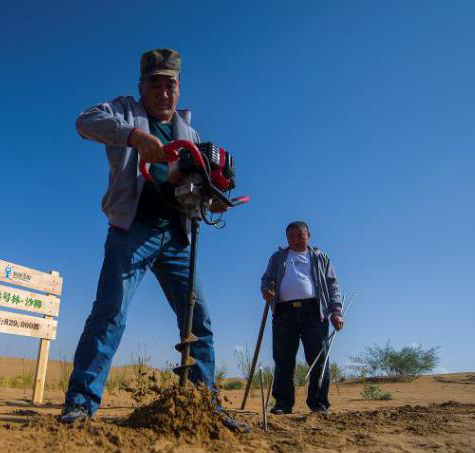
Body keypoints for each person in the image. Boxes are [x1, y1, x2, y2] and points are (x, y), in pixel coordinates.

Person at [60, 48, 245, 431]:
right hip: (133, 230)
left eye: (171, 85)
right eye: (156, 84)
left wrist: (212, 198)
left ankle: (202, 406)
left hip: (178, 236)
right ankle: (81, 403)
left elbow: (192, 183)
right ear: (141, 86)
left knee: (199, 322)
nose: (164, 93)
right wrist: (134, 137)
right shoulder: (124, 111)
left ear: (180, 88)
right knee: (110, 312)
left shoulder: (189, 131)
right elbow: (84, 121)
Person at [260, 221, 343, 415]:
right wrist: (266, 290)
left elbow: (333, 285)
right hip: (283, 312)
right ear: (287, 238)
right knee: (282, 358)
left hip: (315, 311)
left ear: (308, 236)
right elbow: (266, 279)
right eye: (291, 237)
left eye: (300, 236)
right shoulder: (278, 257)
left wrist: (336, 311)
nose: (296, 240)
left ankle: (318, 403)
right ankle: (282, 403)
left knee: (318, 358)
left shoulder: (320, 257)